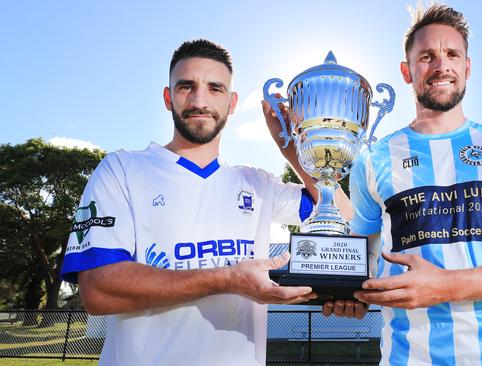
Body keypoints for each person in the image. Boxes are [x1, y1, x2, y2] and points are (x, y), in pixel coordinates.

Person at [60, 39, 348, 366]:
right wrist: (226, 279)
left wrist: (292, 151)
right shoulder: (122, 169)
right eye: (186, 87)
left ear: (232, 102)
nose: (200, 100)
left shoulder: (256, 183)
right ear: (168, 98)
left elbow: (344, 217)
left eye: (215, 88)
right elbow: (98, 291)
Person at [333, 3, 482, 365]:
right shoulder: (374, 159)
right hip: (411, 357)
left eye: (452, 54)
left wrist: (446, 285)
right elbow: (360, 256)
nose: (441, 66)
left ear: (467, 67)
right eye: (427, 56)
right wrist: (338, 289)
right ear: (407, 71)